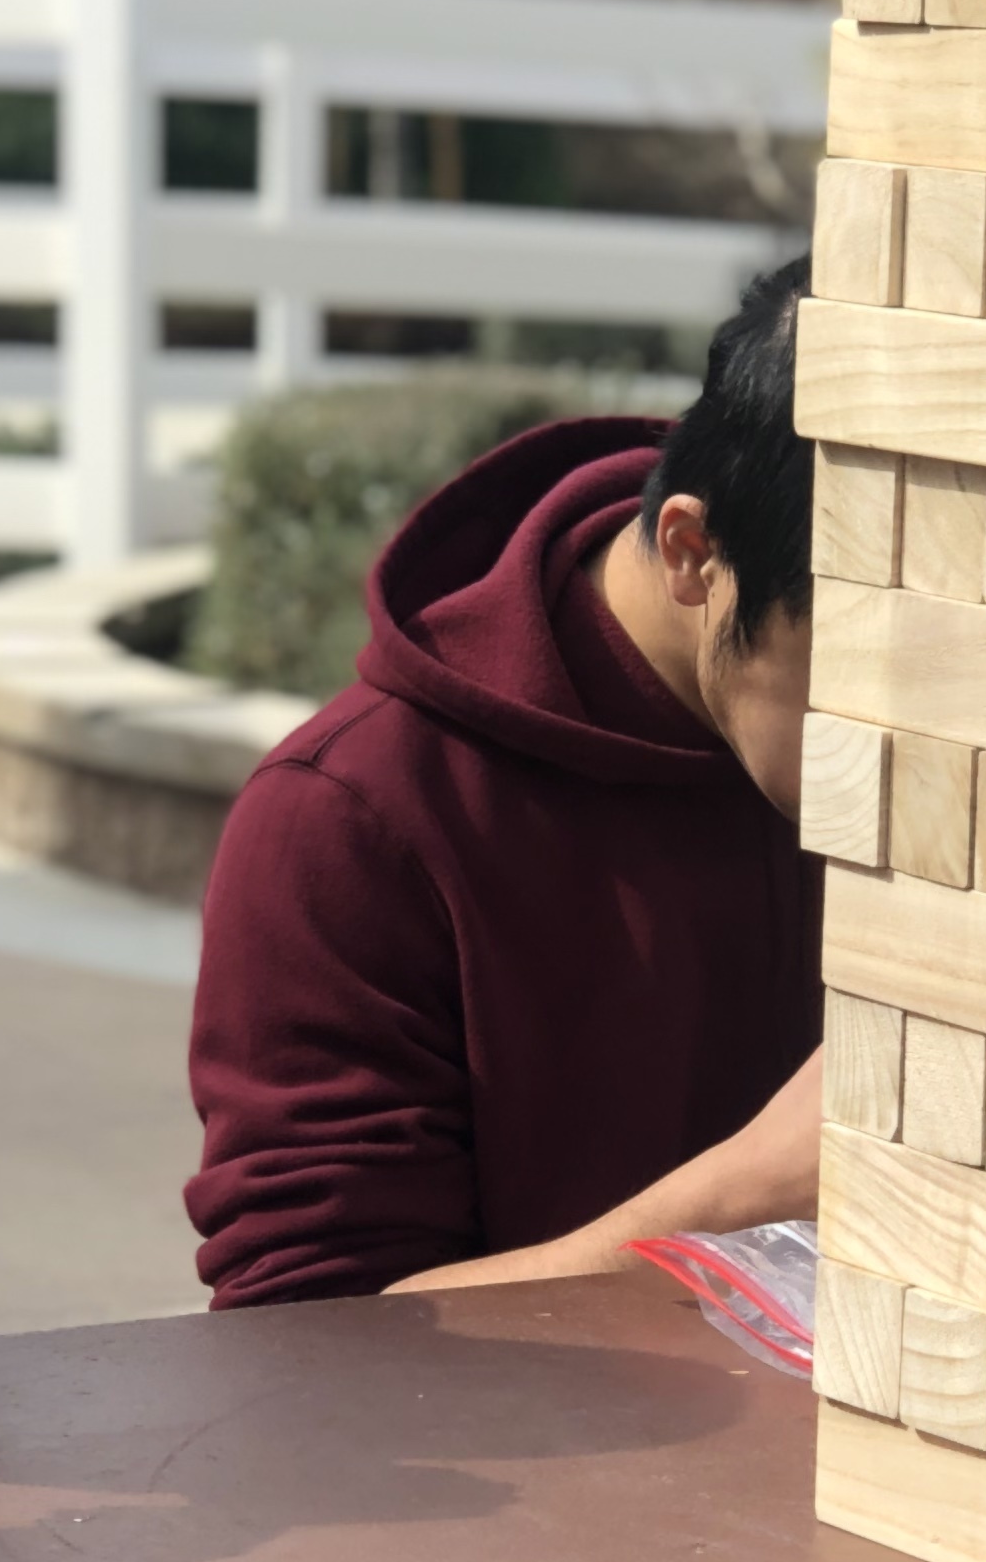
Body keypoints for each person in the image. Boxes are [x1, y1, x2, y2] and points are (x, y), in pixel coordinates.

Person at [186, 263, 822, 1305]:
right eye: (859, 667)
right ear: (692, 555)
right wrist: (756, 1193)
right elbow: (305, 1340)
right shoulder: (350, 819)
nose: (914, 739)